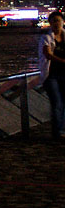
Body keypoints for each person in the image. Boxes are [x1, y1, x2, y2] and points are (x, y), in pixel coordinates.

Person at [39, 11, 65, 139]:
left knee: (63, 103)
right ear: (50, 23)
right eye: (53, 21)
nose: (56, 23)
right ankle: (57, 132)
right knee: (56, 102)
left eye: (58, 21)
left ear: (63, 22)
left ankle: (61, 128)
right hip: (51, 75)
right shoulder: (46, 38)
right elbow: (48, 54)